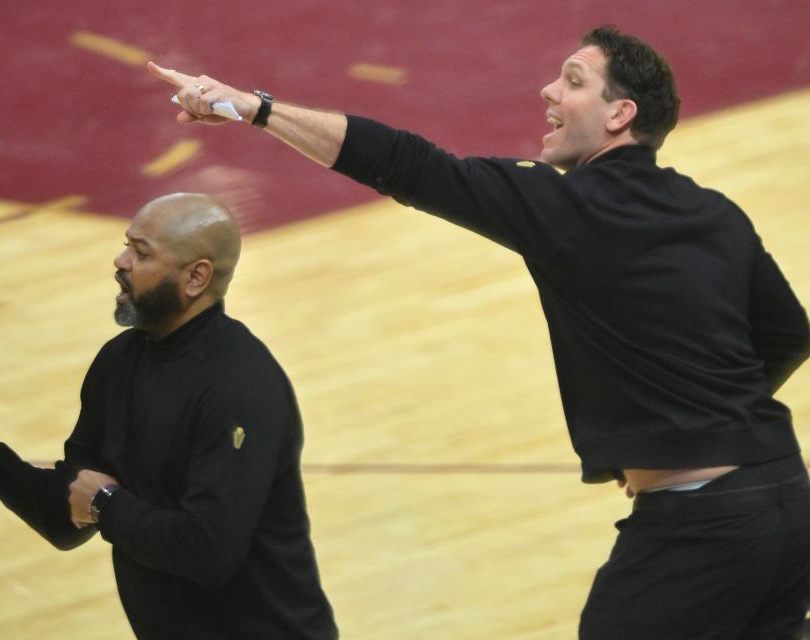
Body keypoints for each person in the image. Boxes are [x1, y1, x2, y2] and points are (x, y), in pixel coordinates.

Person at [147, 25, 810, 638]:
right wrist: (704, 419)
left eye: (574, 80)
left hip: (698, 525)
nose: (549, 90)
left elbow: (406, 165)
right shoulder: (715, 211)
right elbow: (789, 334)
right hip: (786, 495)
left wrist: (254, 109)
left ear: (620, 115)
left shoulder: (564, 206)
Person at [0, 193, 338, 640]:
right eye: (127, 245)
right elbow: (69, 518)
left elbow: (207, 551)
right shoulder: (120, 362)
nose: (120, 261)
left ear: (196, 277)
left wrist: (107, 504)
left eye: (140, 253)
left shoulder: (240, 387)